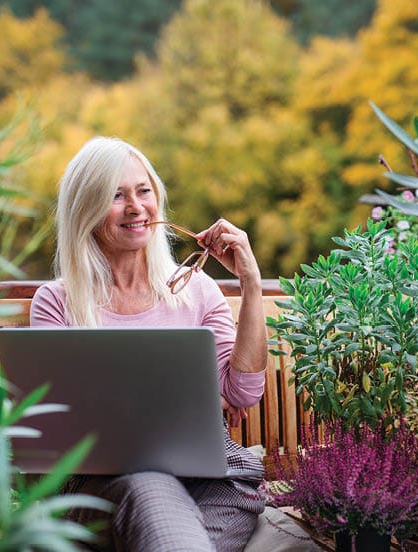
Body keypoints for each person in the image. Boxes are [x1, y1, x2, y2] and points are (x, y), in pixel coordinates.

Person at [30, 136, 268, 551]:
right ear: (85, 209)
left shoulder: (197, 291)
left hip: (217, 484)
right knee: (152, 486)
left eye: (143, 191)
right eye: (115, 196)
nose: (135, 207)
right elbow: (56, 429)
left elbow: (242, 392)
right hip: (103, 487)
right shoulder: (57, 302)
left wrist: (251, 283)